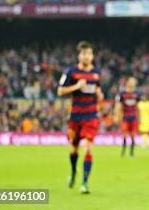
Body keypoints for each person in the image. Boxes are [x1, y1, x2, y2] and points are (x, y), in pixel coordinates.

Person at [57, 41, 103, 194]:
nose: (87, 56)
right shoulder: (70, 72)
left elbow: (98, 91)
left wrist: (99, 95)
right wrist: (77, 86)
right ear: (79, 55)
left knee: (88, 148)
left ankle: (85, 182)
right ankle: (74, 172)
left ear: (92, 56)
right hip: (75, 117)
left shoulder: (96, 73)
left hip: (91, 116)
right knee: (73, 149)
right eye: (84, 54)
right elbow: (60, 91)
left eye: (89, 54)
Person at [115, 76, 141, 157]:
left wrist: (139, 117)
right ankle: (123, 151)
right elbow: (119, 106)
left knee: (133, 135)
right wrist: (117, 116)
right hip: (125, 117)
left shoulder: (136, 94)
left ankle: (131, 152)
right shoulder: (122, 94)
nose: (134, 83)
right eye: (132, 81)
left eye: (134, 82)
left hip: (133, 117)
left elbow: (138, 106)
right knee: (125, 135)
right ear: (128, 82)